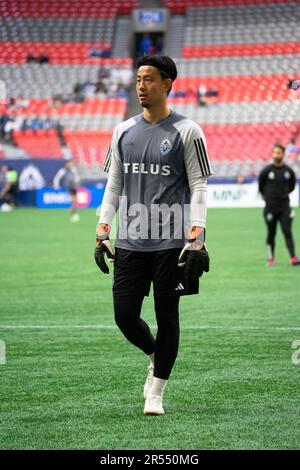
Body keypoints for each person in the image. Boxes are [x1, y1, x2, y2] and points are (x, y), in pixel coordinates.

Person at [94, 55, 213, 416]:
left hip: (172, 242)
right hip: (130, 239)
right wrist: (102, 230)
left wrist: (197, 236)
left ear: (167, 83)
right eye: (138, 79)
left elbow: (199, 186)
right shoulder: (122, 131)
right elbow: (114, 185)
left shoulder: (187, 131)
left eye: (149, 79)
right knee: (125, 315)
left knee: (167, 315)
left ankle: (157, 392)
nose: (141, 86)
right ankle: (155, 356)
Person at [258, 144, 300, 266]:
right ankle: (271, 259)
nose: (276, 155)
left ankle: (293, 258)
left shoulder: (289, 171)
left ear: (283, 154)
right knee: (271, 233)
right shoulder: (266, 171)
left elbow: (292, 186)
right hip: (270, 208)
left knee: (287, 231)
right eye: (275, 152)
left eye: (279, 152)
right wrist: (268, 198)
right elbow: (261, 186)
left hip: (285, 207)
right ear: (272, 154)